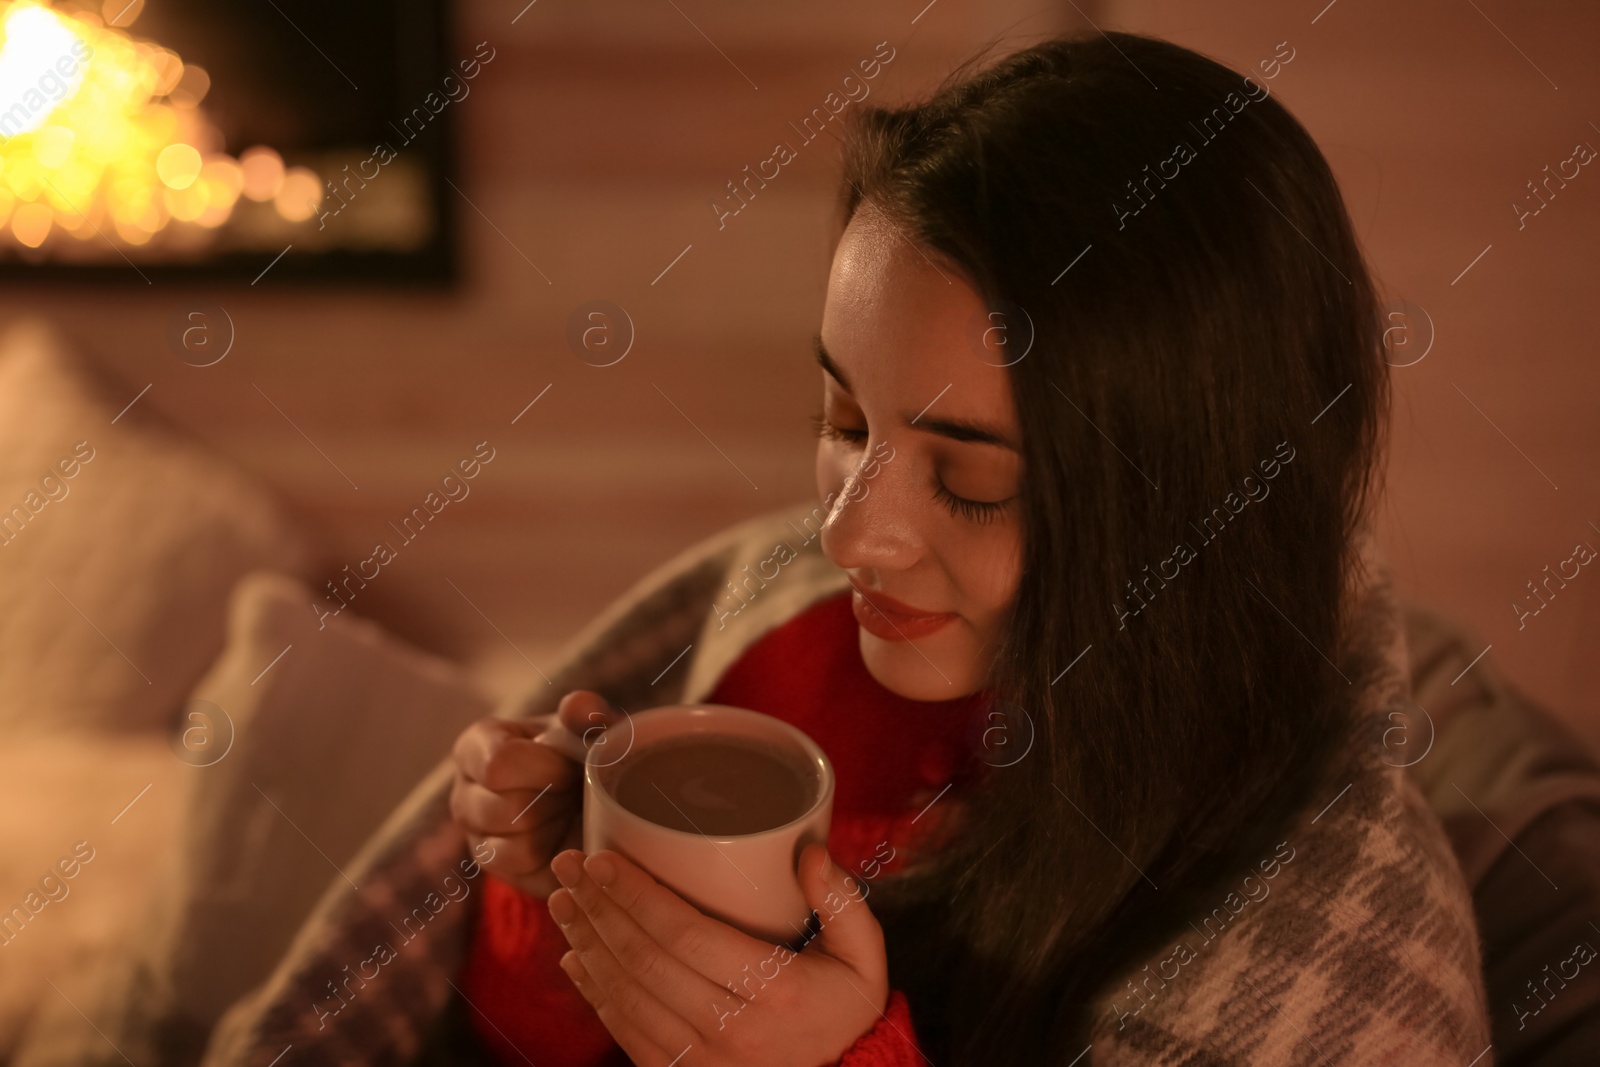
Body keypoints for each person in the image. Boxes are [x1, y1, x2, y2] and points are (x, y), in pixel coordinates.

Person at [197, 29, 1497, 1066]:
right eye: (840, 418)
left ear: (1186, 509)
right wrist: (559, 904)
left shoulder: (1319, 970)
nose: (844, 529)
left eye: (970, 480)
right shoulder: (801, 660)